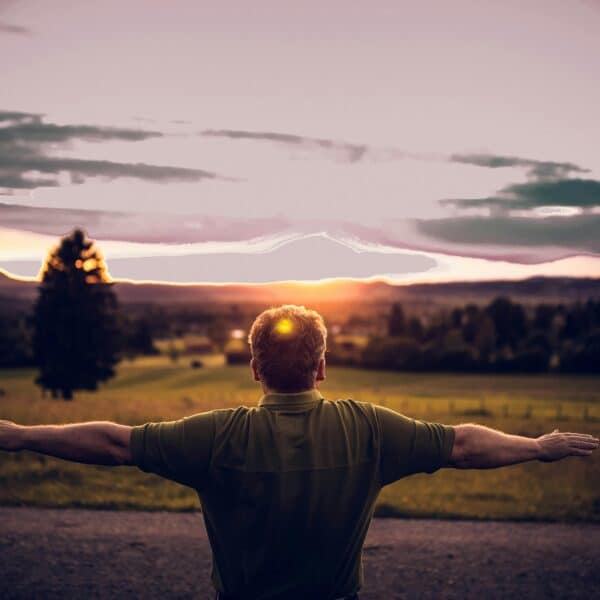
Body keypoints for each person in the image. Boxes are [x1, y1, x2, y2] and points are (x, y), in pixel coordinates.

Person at [0, 304, 597, 600]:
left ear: (255, 367)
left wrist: (20, 434)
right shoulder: (366, 428)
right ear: (321, 367)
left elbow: (113, 441)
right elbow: (464, 443)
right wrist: (539, 448)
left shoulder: (217, 436)